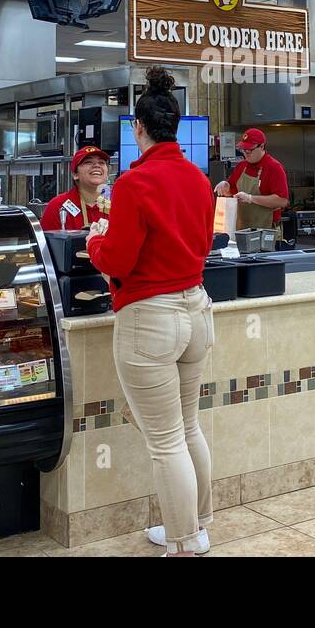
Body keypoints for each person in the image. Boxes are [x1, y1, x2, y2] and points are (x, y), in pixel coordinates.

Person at [85, 67, 216, 556]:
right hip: (197, 310)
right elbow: (204, 244)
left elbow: (118, 260)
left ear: (138, 128)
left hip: (150, 319)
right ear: (176, 127)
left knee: (165, 442)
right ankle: (197, 526)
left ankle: (183, 543)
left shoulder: (136, 184)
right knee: (188, 428)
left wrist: (96, 243)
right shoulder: (199, 179)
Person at [214, 128, 289, 231]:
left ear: (262, 146)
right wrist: (225, 186)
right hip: (242, 230)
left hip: (267, 232)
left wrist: (251, 198)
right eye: (243, 149)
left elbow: (282, 201)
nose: (246, 153)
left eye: (249, 150)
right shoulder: (241, 166)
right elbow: (231, 191)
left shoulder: (274, 167)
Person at [39, 145, 111, 231]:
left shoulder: (120, 203)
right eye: (88, 162)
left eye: (101, 162)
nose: (96, 165)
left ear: (107, 174)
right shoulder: (58, 206)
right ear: (75, 174)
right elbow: (47, 243)